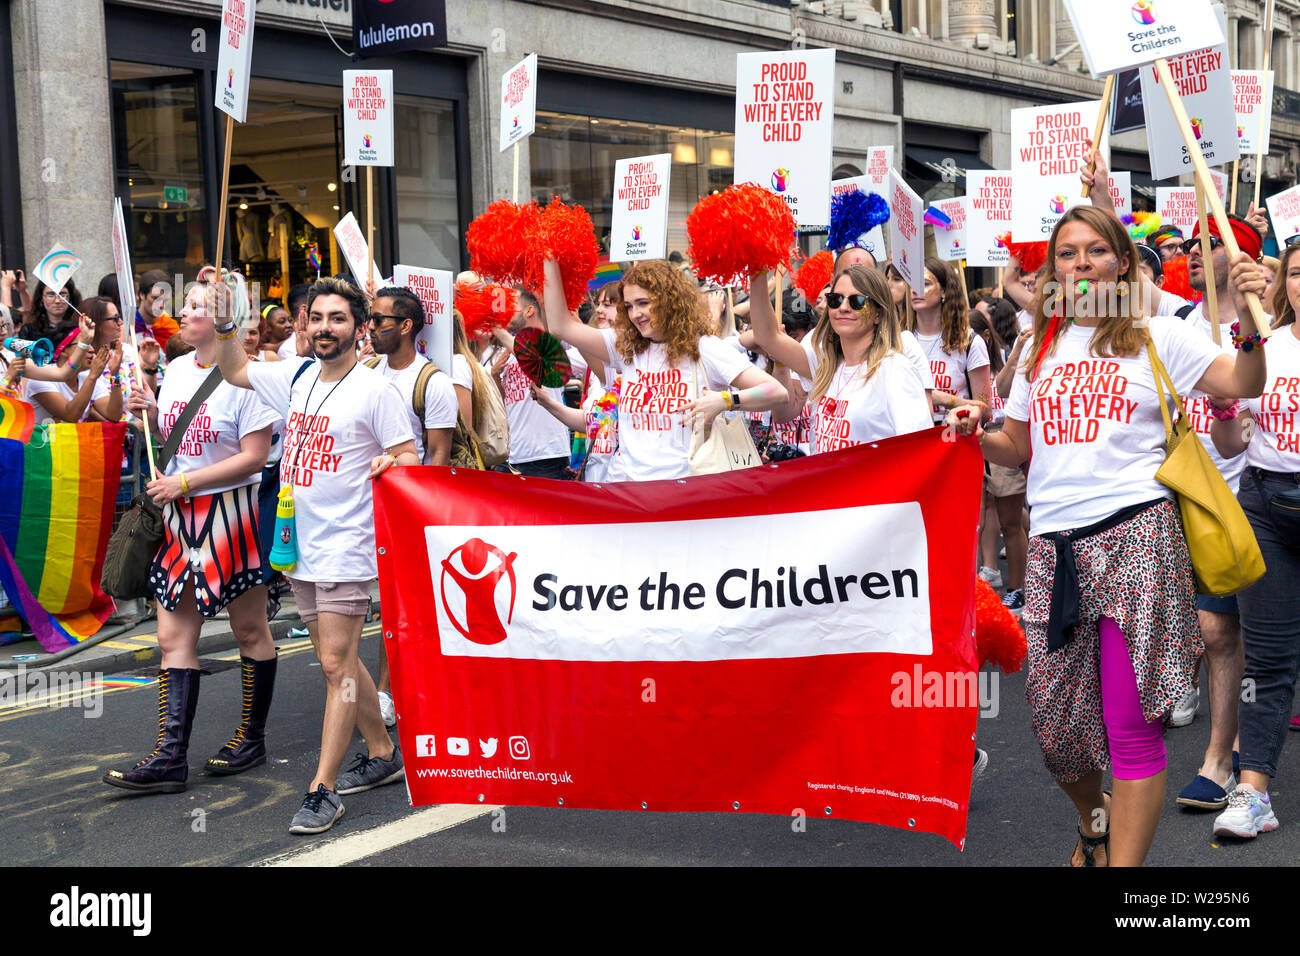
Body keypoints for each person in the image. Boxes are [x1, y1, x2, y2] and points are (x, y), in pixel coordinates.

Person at [948, 204, 1267, 867]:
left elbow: (1242, 381)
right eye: (1067, 254)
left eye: (1096, 251)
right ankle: (1094, 824)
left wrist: (1249, 323)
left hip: (1138, 541)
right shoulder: (1039, 346)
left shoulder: (1158, 334)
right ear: (1054, 269)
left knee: (1131, 730)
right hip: (1052, 552)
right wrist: (974, 428)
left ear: (1122, 262)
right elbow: (1015, 447)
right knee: (1057, 735)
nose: (1082, 263)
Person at [213, 275, 419, 835]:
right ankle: (381, 751)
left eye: (339, 318)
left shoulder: (377, 391)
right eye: (318, 318)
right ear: (306, 324)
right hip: (298, 547)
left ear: (360, 328)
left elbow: (409, 456)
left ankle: (322, 789)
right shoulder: (297, 377)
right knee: (343, 659)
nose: (327, 328)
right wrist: (230, 323)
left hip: (348, 548)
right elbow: (234, 369)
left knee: (333, 664)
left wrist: (391, 464)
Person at [103, 270, 279, 793]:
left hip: (234, 518)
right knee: (170, 636)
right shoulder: (176, 368)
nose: (184, 313)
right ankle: (169, 757)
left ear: (224, 319)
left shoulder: (251, 378)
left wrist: (185, 481)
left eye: (198, 307)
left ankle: (251, 736)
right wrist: (148, 414)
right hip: (180, 521)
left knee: (249, 630)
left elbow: (252, 460)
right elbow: (177, 436)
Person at [1207, 245, 1300, 840]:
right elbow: (1232, 444)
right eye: (1296, 271)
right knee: (1265, 660)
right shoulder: (1265, 347)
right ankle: (1253, 793)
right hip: (1265, 505)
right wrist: (1221, 411)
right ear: (1283, 283)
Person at [542, 258, 786, 481]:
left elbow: (776, 392)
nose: (636, 314)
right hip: (624, 491)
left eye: (643, 303)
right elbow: (561, 326)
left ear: (669, 301)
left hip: (681, 493)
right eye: (628, 306)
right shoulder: (625, 347)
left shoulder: (704, 348)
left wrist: (725, 400)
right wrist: (549, 256)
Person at [748, 265, 931, 453]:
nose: (843, 307)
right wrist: (758, 269)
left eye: (857, 301)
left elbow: (919, 451)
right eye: (835, 300)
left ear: (878, 314)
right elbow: (767, 337)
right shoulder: (825, 366)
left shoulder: (894, 369)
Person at [485, 288, 579, 479]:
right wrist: (495, 377)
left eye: (511, 307)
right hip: (512, 455)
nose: (504, 313)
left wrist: (498, 330)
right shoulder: (506, 351)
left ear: (529, 311)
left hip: (546, 456)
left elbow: (536, 360)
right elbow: (508, 402)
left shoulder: (548, 342)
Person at [970, 309, 1027, 615]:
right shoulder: (965, 361)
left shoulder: (1007, 356)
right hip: (974, 441)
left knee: (1011, 522)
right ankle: (977, 584)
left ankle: (1017, 589)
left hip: (1003, 437)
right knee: (974, 523)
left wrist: (1016, 351)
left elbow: (1003, 388)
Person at [904, 258, 992, 423]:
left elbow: (985, 410)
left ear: (944, 291)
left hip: (953, 440)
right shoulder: (899, 342)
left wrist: (943, 399)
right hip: (913, 441)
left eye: (926, 283)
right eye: (912, 284)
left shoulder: (970, 343)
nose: (916, 290)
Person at [25, 301, 124, 424]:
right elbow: (70, 415)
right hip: (43, 443)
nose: (92, 350)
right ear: (63, 351)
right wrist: (93, 376)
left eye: (90, 344)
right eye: (83, 344)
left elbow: (113, 415)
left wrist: (115, 374)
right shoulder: (41, 378)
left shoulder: (86, 376)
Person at [135, 269, 180, 348]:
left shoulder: (171, 328)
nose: (161, 305)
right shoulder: (127, 326)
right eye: (155, 298)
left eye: (165, 300)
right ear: (142, 295)